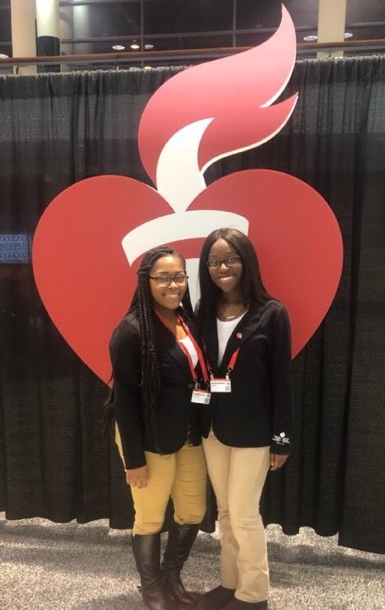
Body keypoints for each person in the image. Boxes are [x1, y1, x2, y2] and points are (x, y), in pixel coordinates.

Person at [196, 228, 293, 610]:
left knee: (244, 513)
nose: (223, 267)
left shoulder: (272, 314)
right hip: (212, 428)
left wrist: (282, 438)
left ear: (246, 261)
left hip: (254, 431)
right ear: (207, 267)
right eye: (216, 261)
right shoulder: (204, 311)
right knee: (223, 512)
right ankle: (229, 583)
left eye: (231, 258)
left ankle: (255, 596)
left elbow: (281, 381)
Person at [109, 245, 209, 610]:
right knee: (150, 516)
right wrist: (134, 459)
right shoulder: (131, 331)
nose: (173, 285)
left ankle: (171, 577)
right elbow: (123, 401)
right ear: (146, 282)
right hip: (149, 439)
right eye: (163, 278)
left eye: (179, 277)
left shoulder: (188, 320)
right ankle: (152, 590)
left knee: (193, 510)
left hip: (188, 434)